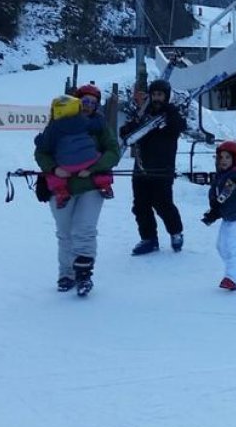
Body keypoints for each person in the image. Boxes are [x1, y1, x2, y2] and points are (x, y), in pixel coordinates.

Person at [34, 83, 121, 294]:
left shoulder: (100, 126)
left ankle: (83, 275)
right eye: (84, 101)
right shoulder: (57, 126)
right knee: (64, 233)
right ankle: (66, 274)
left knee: (85, 230)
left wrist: (93, 168)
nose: (88, 105)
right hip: (61, 186)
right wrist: (54, 169)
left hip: (91, 185)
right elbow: (41, 153)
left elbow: (113, 151)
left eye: (93, 102)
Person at [119, 79, 187, 255]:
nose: (157, 98)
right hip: (141, 168)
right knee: (140, 205)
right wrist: (134, 125)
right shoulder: (143, 114)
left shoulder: (172, 114)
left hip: (163, 169)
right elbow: (126, 131)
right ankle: (149, 238)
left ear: (166, 96)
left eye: (160, 95)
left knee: (163, 204)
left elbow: (179, 126)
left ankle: (175, 232)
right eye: (154, 94)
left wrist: (168, 115)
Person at [35, 94, 114, 208]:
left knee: (53, 175)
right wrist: (99, 118)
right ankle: (104, 183)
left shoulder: (53, 128)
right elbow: (97, 124)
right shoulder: (84, 121)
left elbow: (44, 146)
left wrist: (38, 140)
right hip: (90, 160)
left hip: (66, 165)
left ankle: (60, 190)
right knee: (100, 160)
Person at [201, 140, 236, 291]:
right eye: (221, 157)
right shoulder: (221, 175)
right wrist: (213, 209)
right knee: (221, 247)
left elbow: (226, 193)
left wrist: (215, 209)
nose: (223, 161)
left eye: (227, 158)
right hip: (229, 217)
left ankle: (232, 277)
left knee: (234, 248)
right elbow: (216, 194)